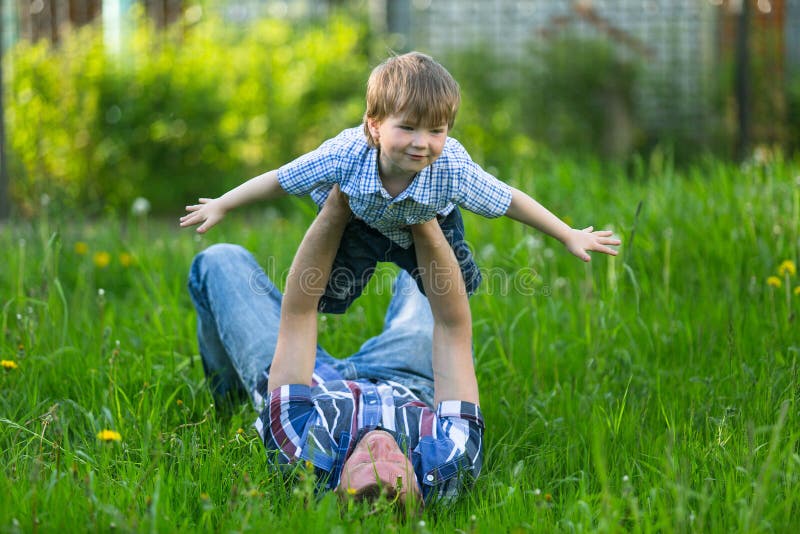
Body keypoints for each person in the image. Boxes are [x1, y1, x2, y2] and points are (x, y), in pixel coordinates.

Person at [180, 51, 620, 314]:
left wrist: (566, 234)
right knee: (328, 297)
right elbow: (282, 179)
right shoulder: (345, 154)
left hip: (433, 224)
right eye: (407, 128)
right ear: (374, 126)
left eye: (436, 130)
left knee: (453, 293)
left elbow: (508, 200)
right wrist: (223, 203)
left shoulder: (452, 167)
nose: (422, 144)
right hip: (361, 224)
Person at [188, 185, 482, 507]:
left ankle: (228, 398)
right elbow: (452, 327)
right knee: (439, 275)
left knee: (219, 261)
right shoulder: (451, 462)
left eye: (366, 461)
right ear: (419, 488)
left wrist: (337, 205)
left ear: (336, 484)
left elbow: (299, 312)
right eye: (398, 464)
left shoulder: (300, 451)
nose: (380, 444)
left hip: (310, 383)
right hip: (406, 379)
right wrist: (420, 213)